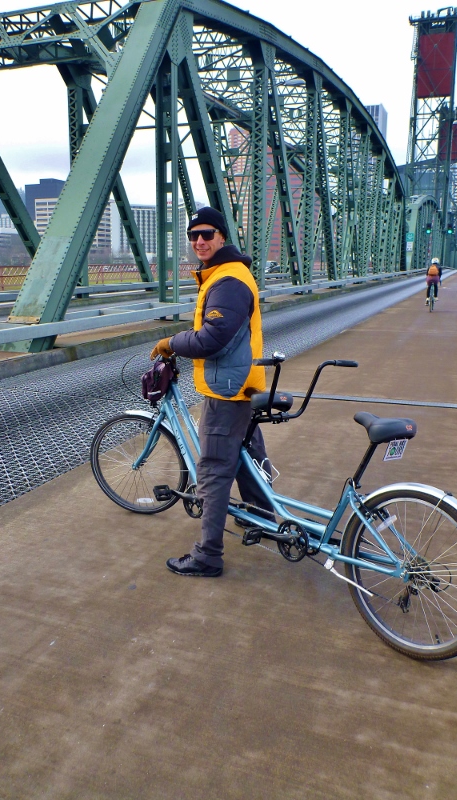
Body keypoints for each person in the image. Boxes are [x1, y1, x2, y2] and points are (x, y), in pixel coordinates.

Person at [150, 207, 273, 577]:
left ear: (222, 237)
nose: (199, 241)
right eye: (193, 236)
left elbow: (212, 337)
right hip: (238, 382)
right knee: (243, 455)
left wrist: (170, 342)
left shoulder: (229, 280)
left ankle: (207, 555)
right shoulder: (223, 275)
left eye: (206, 234)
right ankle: (262, 518)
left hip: (228, 389)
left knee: (215, 469)